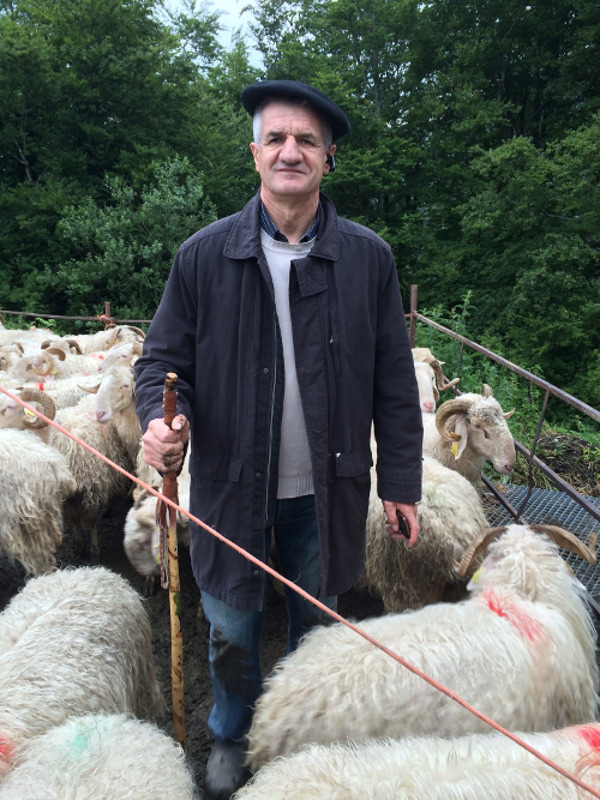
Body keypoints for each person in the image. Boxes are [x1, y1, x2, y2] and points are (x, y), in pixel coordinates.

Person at [134, 79, 423, 800]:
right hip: (233, 489)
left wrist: (403, 484)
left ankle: (300, 738)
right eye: (276, 138)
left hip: (328, 489)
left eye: (306, 140)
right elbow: (163, 364)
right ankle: (230, 734)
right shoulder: (204, 256)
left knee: (318, 629)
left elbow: (394, 375)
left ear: (329, 158)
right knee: (230, 629)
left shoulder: (368, 259)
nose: (290, 151)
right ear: (254, 153)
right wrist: (159, 421)